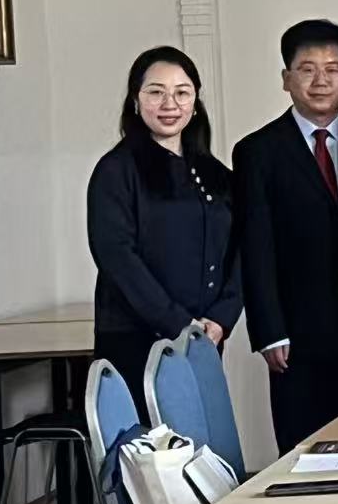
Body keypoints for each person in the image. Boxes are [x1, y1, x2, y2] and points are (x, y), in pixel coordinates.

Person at [233, 19, 338, 453]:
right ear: (286, 78)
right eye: (307, 69)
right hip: (297, 336)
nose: (320, 80)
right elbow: (255, 246)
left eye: (333, 69)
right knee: (303, 455)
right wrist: (269, 330)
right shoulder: (257, 151)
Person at [88, 46, 242, 409]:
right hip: (138, 339)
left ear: (195, 102)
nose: (170, 103)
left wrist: (221, 317)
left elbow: (241, 247)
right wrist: (179, 324)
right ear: (135, 100)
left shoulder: (215, 173)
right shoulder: (116, 170)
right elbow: (116, 256)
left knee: (201, 439)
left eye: (182, 92)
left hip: (205, 338)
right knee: (150, 443)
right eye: (156, 92)